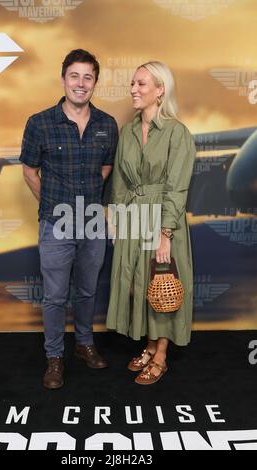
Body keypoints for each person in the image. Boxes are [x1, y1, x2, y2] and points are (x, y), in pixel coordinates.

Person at [20, 49, 118, 389]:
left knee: (88, 291)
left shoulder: (107, 124)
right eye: (74, 76)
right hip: (56, 222)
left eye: (88, 77)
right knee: (55, 296)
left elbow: (105, 168)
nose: (81, 83)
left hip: (92, 221)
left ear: (95, 83)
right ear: (63, 79)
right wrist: (53, 202)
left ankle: (84, 344)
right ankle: (54, 357)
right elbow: (30, 171)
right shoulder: (40, 122)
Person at [106, 61, 196, 385]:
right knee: (142, 288)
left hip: (161, 219)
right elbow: (119, 181)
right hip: (133, 217)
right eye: (132, 83)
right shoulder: (128, 131)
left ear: (160, 90)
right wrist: (115, 220)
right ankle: (147, 344)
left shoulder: (177, 133)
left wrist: (166, 233)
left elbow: (177, 187)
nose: (133, 89)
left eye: (142, 84)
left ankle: (161, 355)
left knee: (163, 285)